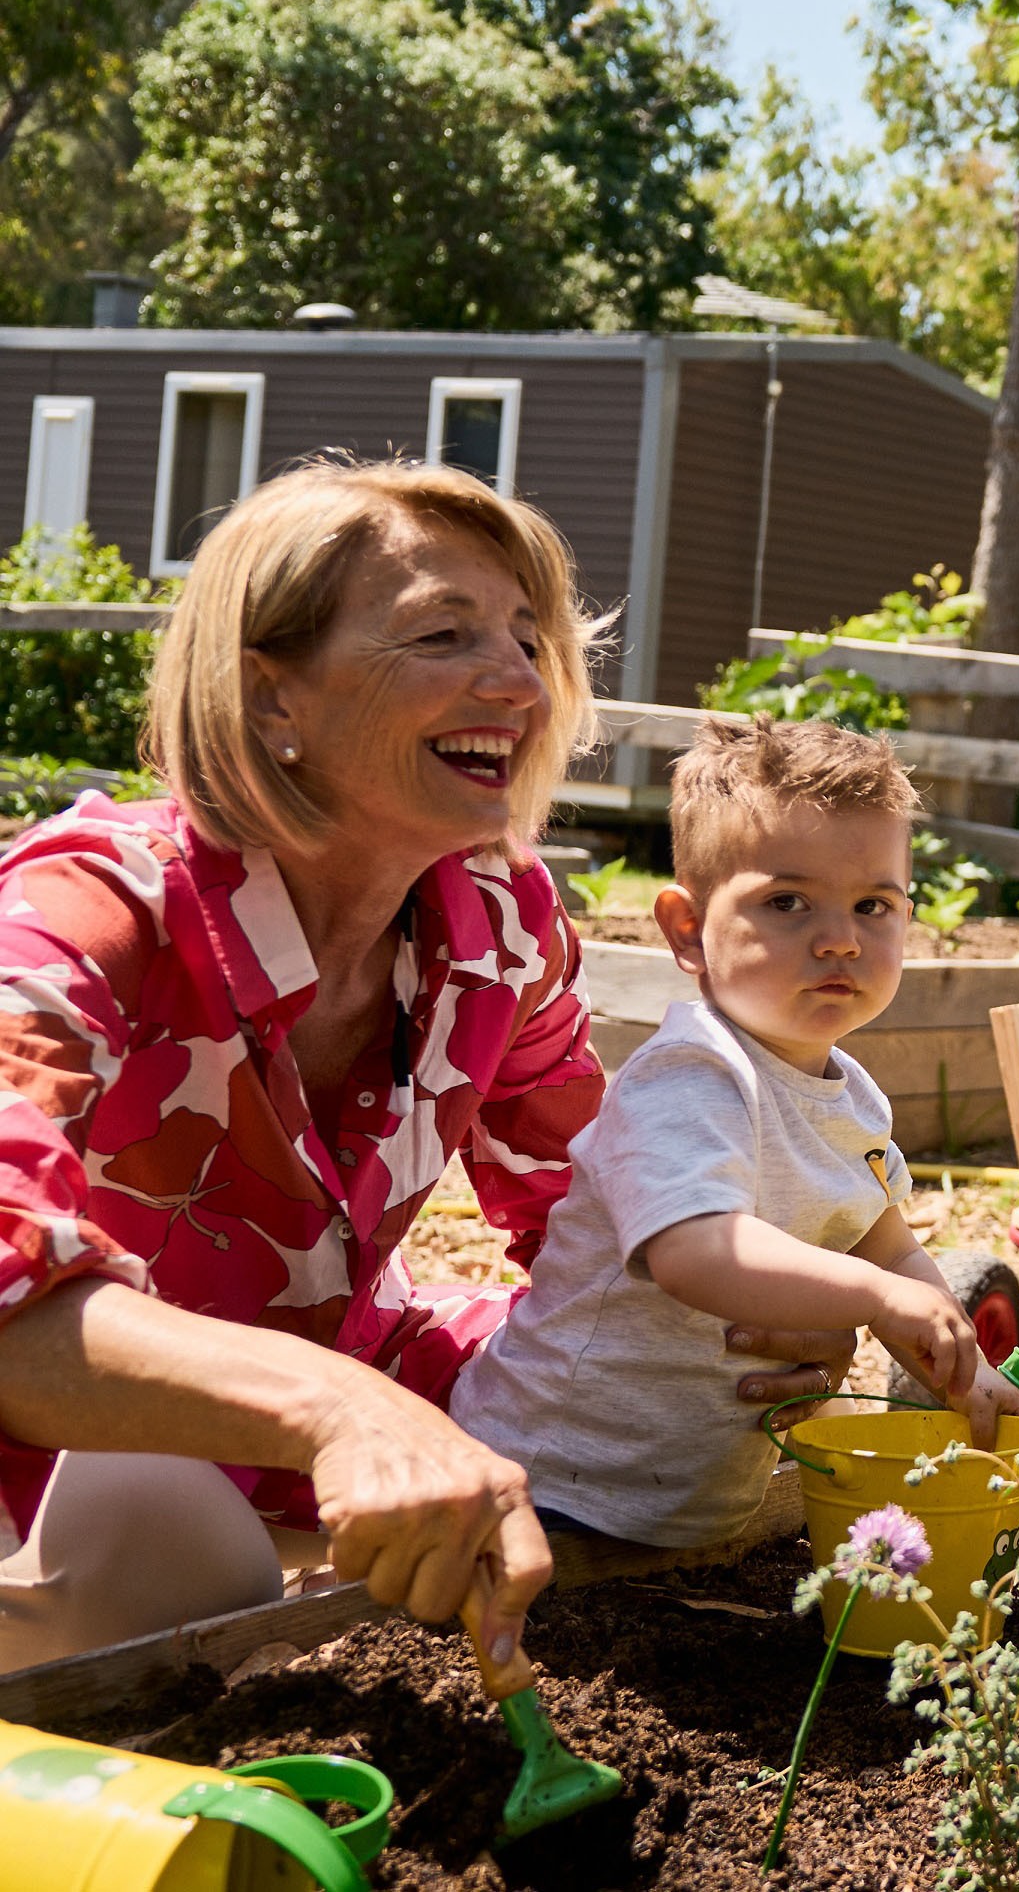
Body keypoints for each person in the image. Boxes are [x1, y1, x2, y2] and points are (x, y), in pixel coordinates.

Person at [0, 460, 850, 1676]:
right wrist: (336, 1408)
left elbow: (598, 1210)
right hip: (71, 1445)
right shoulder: (83, 910)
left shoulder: (500, 922)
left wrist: (745, 1318)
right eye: (442, 635)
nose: (520, 683)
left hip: (341, 1387)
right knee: (163, 1533)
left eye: (527, 639)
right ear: (271, 693)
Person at [453, 718, 1019, 1548]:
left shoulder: (854, 1100)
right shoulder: (691, 1075)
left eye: (873, 906)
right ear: (688, 929)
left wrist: (962, 1369)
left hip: (673, 1506)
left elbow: (890, 1248)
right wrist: (876, 1298)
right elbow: (697, 1252)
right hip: (545, 1479)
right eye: (787, 903)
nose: (840, 938)